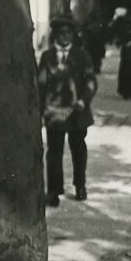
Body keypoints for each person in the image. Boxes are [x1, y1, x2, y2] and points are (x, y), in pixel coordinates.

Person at [36, 17, 98, 206]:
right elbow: (41, 84)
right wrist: (40, 110)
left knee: (78, 148)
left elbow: (91, 81)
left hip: (77, 111)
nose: (65, 36)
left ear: (73, 35)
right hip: (54, 111)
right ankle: (54, 191)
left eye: (69, 32)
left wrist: (83, 100)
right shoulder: (47, 56)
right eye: (61, 32)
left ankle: (80, 185)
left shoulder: (82, 56)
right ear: (55, 34)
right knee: (54, 151)